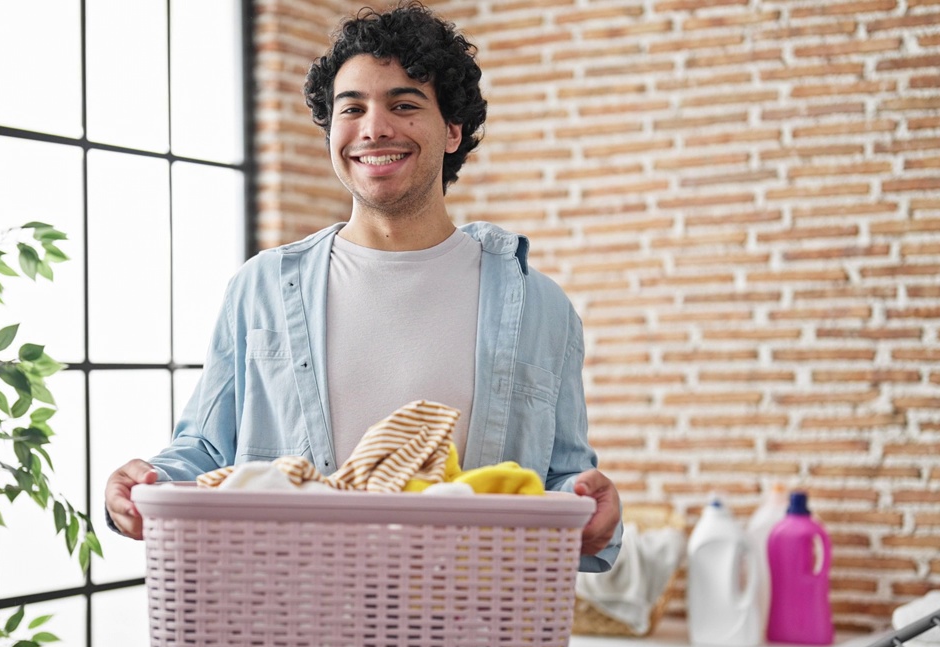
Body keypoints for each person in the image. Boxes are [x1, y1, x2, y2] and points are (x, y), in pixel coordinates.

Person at [105, 1, 623, 573]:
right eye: (351, 108)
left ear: (452, 130)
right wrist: (145, 479)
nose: (374, 127)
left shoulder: (538, 305)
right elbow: (206, 450)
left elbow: (561, 477)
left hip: (474, 629)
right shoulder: (261, 289)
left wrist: (594, 507)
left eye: (404, 104)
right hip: (293, 621)